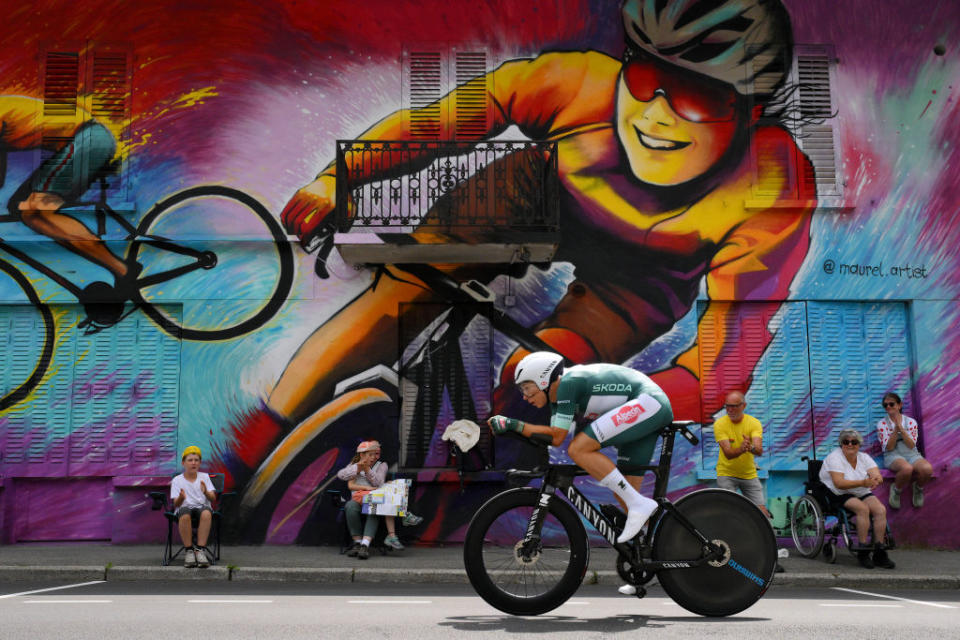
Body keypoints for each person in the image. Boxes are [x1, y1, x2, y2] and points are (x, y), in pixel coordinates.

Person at [217, 0, 818, 538]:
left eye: (699, 97)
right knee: (397, 296)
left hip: (636, 282)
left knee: (538, 382)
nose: (657, 115)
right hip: (532, 198)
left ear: (752, 110)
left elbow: (717, 372)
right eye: (647, 78)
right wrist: (335, 181)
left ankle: (454, 505)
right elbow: (442, 122)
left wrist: (617, 403)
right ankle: (248, 456)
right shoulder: (574, 82)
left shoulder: (773, 188)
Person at [488, 351, 672, 587]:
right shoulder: (557, 399)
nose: (524, 396)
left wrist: (513, 424)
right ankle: (646, 565)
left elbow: (558, 436)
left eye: (526, 387)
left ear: (543, 379)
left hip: (648, 402)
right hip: (644, 406)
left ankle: (640, 505)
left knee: (580, 449)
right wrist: (514, 429)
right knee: (625, 493)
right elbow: (554, 440)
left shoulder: (568, 384)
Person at [0, 95, 133, 291]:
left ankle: (124, 271)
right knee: (17, 207)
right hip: (86, 139)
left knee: (35, 212)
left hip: (89, 139)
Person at [818, 429, 895, 570]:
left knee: (880, 510)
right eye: (845, 442)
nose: (850, 444)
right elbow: (839, 483)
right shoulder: (834, 458)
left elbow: (876, 475)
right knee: (862, 509)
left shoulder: (864, 457)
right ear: (841, 444)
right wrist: (863, 482)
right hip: (838, 492)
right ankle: (863, 550)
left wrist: (876, 479)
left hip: (860, 490)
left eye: (854, 442)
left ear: (859, 444)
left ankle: (879, 551)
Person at [336, 440, 422, 558]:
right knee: (350, 506)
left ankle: (365, 545)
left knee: (375, 507)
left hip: (374, 498)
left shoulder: (382, 465)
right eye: (371, 454)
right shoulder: (354, 464)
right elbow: (342, 476)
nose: (374, 457)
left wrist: (367, 470)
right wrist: (358, 467)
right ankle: (357, 543)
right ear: (362, 454)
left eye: (376, 454)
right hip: (358, 498)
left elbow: (378, 483)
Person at [714, 392, 772, 518]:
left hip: (748, 474)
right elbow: (728, 454)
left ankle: (763, 537)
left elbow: (759, 450)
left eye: (734, 406)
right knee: (729, 512)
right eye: (727, 406)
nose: (730, 410)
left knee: (762, 512)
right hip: (726, 473)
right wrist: (741, 449)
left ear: (744, 406)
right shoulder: (719, 424)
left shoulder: (754, 423)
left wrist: (749, 447)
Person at [876, 392, 932, 509]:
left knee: (927, 469)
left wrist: (901, 428)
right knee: (907, 469)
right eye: (885, 405)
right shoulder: (882, 424)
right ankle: (896, 490)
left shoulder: (911, 422)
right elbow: (889, 447)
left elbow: (912, 445)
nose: (888, 407)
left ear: (899, 405)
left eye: (891, 404)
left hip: (911, 453)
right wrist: (896, 431)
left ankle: (918, 487)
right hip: (892, 455)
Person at [171, 445, 218, 568]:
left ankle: (200, 550)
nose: (193, 463)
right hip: (184, 508)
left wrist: (206, 492)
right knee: (185, 513)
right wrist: (181, 497)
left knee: (207, 512)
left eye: (196, 460)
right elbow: (176, 504)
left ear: (200, 463)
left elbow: (213, 498)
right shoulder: (177, 480)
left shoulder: (205, 477)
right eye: (190, 460)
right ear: (183, 463)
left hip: (202, 507)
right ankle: (189, 551)